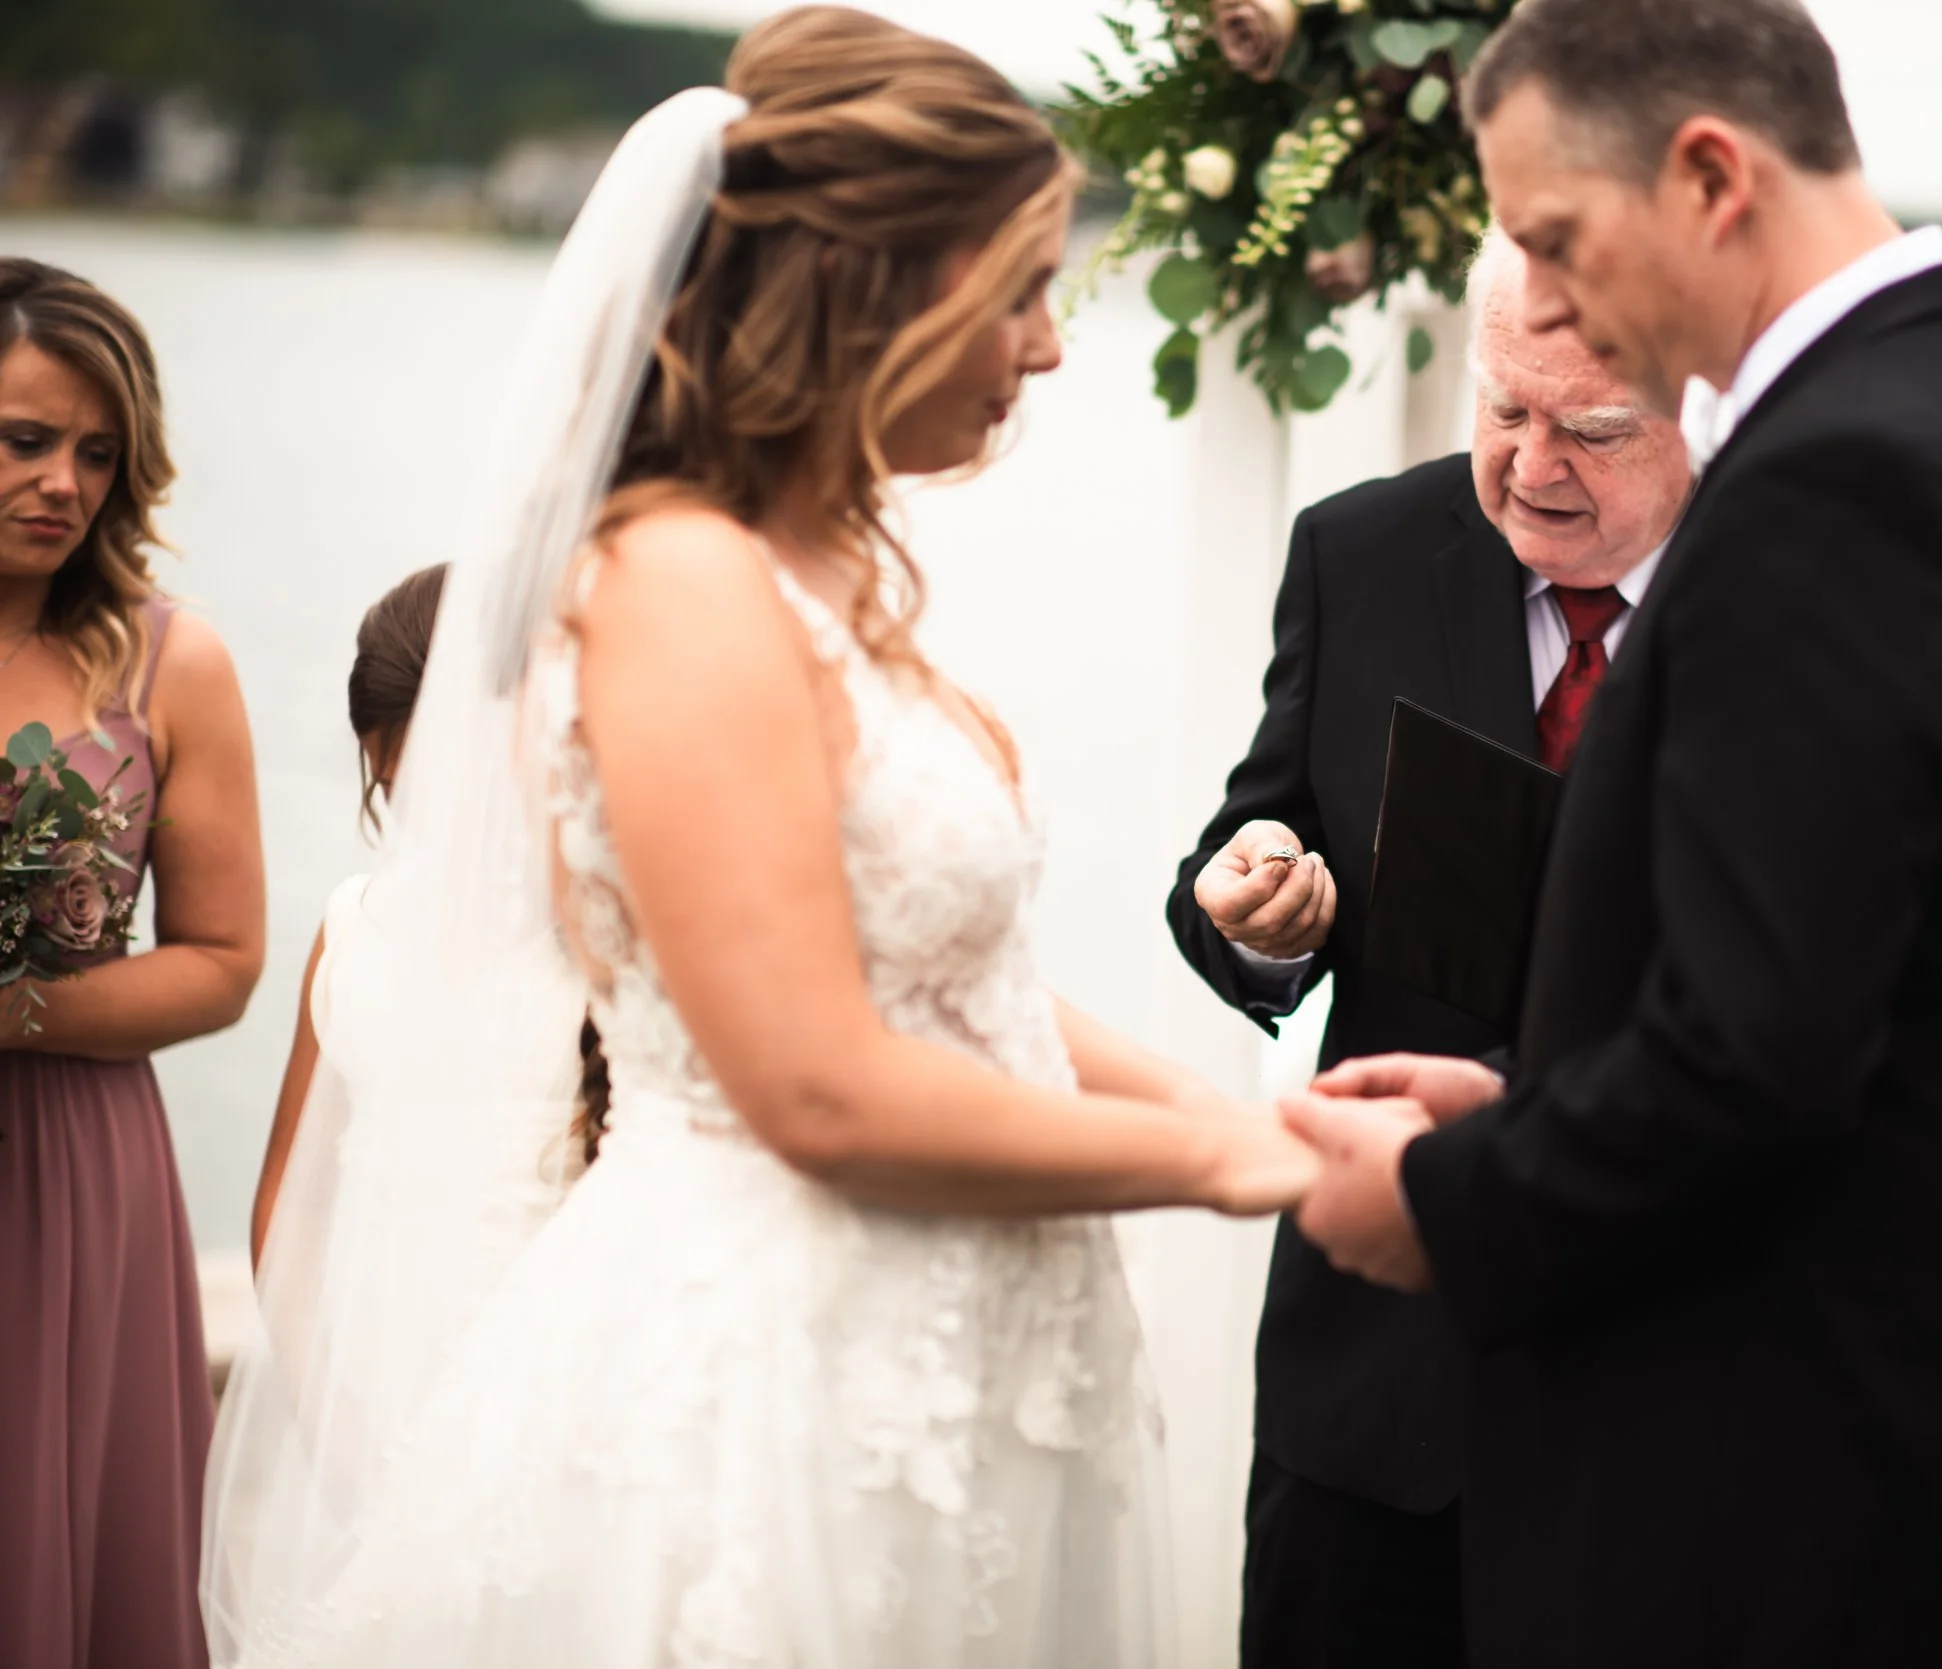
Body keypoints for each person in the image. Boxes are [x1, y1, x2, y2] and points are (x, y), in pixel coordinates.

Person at [202, 11, 1315, 1665]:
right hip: (769, 1390)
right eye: (1018, 288)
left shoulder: (828, 580)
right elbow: (810, 1080)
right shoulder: (679, 579)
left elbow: (948, 976)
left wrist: (1256, 1107)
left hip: (937, 1347)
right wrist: (1234, 1166)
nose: (1052, 344)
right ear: (876, 290)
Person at [1281, 1, 1942, 1665]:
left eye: (1553, 235)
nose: (1543, 300)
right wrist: (1537, 1088)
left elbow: (1753, 1057)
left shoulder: (1847, 480)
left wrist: (1455, 1192)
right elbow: (1845, 994)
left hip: (1814, 1506)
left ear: (1706, 175)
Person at [1169, 227, 1688, 1669]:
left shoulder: (1797, 598)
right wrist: (1254, 907)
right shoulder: (1363, 549)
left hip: (1670, 1393)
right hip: (1374, 1393)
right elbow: (1252, 832)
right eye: (1503, 409)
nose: (1531, 466)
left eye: (1588, 428)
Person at [0, 261, 266, 1669]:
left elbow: (222, 963)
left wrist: (13, 1005)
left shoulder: (170, 664)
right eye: (24, 439)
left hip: (70, 1167)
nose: (64, 482)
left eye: (97, 452)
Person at [248, 562, 450, 1268]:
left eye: (454, 784)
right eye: (397, 789)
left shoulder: (616, 938)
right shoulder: (355, 927)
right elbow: (292, 1201)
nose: (430, 820)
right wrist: (313, 1376)